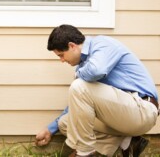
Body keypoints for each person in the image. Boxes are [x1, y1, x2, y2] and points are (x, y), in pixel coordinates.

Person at [35, 24, 159, 157]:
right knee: (65, 123)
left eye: (61, 55)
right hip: (122, 116)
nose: (62, 60)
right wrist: (50, 129)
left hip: (141, 110)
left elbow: (97, 71)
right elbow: (76, 106)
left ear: (72, 46)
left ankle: (85, 153)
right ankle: (126, 142)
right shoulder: (84, 69)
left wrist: (78, 77)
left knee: (78, 86)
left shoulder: (102, 44)